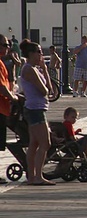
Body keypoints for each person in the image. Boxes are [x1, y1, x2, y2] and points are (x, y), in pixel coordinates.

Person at [20, 39, 55, 185]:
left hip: (37, 108)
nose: (41, 54)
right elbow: (44, 90)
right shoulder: (29, 69)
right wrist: (46, 89)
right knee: (45, 143)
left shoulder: (35, 69)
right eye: (39, 52)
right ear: (31, 53)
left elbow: (50, 89)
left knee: (34, 143)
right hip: (35, 109)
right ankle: (37, 176)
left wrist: (45, 70)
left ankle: (32, 176)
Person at [0, 34, 19, 184]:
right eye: (5, 45)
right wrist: (13, 98)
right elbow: (2, 87)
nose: (8, 48)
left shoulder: (2, 63)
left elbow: (7, 84)